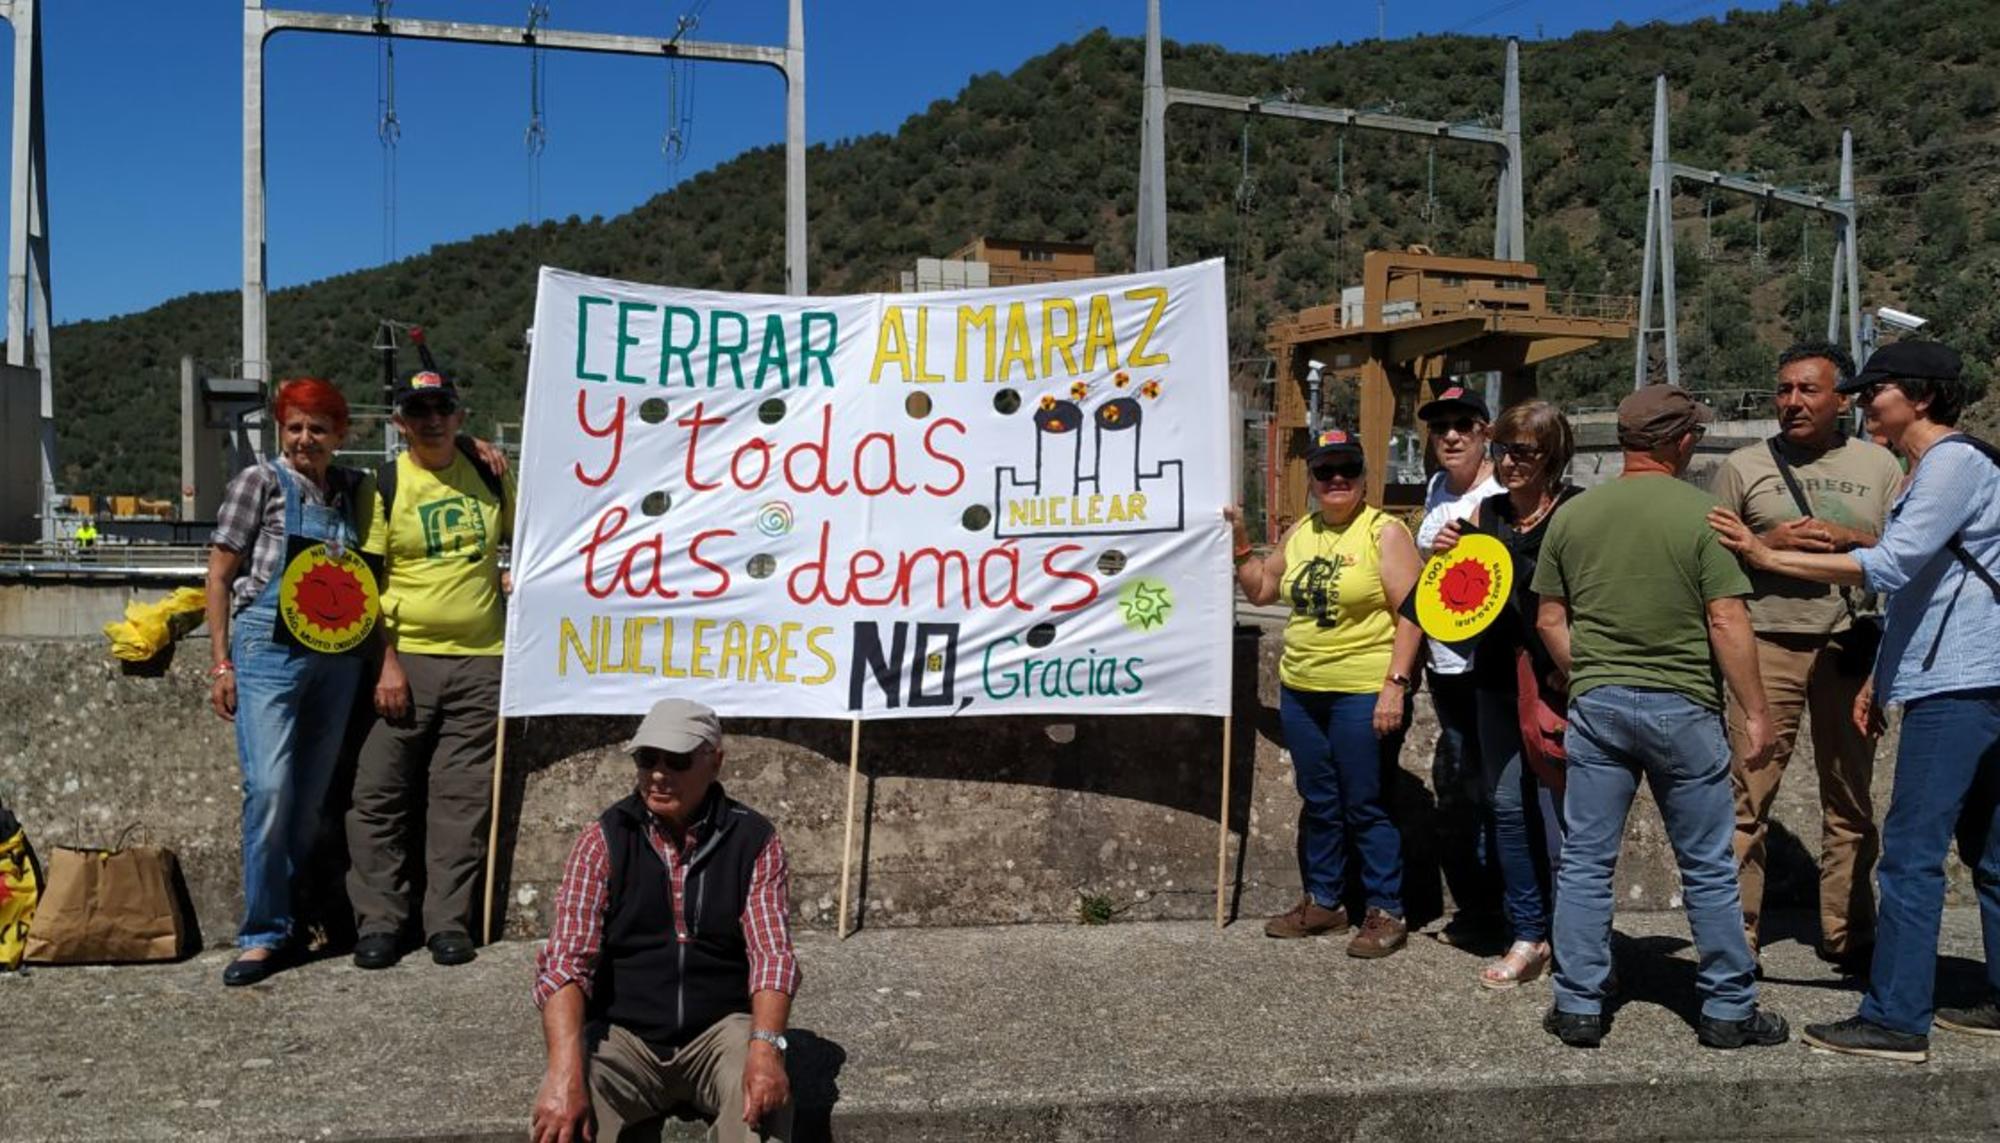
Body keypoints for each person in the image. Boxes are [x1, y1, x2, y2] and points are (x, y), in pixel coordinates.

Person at [1711, 341, 2000, 1064]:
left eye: (1879, 391)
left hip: (1960, 682)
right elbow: (1917, 592)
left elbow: (1894, 564)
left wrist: (1771, 554)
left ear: (1922, 397)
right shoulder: (1931, 468)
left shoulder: (1952, 463)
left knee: (1908, 853)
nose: (1868, 402)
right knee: (1991, 850)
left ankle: (1898, 1016)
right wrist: (1881, 678)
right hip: (1964, 674)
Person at [1531, 384, 1787, 1050]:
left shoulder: (1573, 517)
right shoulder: (1705, 515)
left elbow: (1550, 618)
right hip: (1684, 707)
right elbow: (1726, 618)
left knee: (1585, 860)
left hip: (1601, 704)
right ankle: (1729, 1010)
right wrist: (1756, 710)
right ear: (1680, 441)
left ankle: (1580, 1005)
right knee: (1706, 863)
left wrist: (1586, 670)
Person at [1708, 342, 1903, 974]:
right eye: (1784, 389)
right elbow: (1707, 557)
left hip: (1848, 647)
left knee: (1850, 801)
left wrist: (1854, 539)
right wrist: (1767, 541)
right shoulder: (1743, 466)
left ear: (1841, 400)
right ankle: (1738, 937)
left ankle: (1849, 936)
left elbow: (1909, 549)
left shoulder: (1881, 466)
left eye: (1808, 390)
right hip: (1763, 645)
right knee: (1746, 797)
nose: (1792, 401)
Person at [531, 698, 798, 1143]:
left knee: (765, 1107)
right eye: (646, 758)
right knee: (559, 1120)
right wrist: (563, 1071)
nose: (657, 773)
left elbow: (772, 955)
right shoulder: (604, 839)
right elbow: (565, 962)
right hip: (624, 1036)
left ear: (715, 762)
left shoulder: (754, 839)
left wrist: (766, 1047)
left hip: (720, 1030)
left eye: (676, 760)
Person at [1229, 427, 1425, 958]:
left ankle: (1386, 910)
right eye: (1325, 471)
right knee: (1319, 801)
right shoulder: (1301, 533)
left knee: (1365, 802)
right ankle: (1326, 902)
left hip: (1361, 689)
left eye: (1348, 470)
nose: (1337, 479)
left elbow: (1413, 612)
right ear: (1312, 480)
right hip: (1302, 689)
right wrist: (1242, 543)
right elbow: (1263, 590)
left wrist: (1395, 686)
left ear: (1364, 477)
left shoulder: (1384, 533)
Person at [204, 378, 373, 986]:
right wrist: (220, 662)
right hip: (267, 650)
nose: (305, 439)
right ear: (281, 429)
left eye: (318, 428)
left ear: (339, 435)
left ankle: (300, 916)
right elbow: (219, 575)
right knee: (270, 791)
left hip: (338, 657)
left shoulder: (352, 490)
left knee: (312, 801)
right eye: (295, 426)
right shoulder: (261, 482)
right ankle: (262, 934)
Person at [349, 370, 518, 970]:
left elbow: (528, 542)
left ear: (460, 414)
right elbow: (364, 581)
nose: (432, 419)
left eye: (442, 407)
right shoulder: (386, 485)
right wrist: (386, 660)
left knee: (462, 799)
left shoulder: (491, 475)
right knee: (378, 794)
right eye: (418, 410)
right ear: (400, 422)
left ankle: (447, 923)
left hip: (482, 658)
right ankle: (380, 923)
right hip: (406, 660)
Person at [1429, 400, 1581, 989]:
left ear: (1553, 456)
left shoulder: (1575, 513)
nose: (1510, 462)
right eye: (1503, 449)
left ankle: (1579, 940)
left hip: (1557, 683)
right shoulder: (1484, 514)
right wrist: (1446, 558)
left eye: (1526, 451)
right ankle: (1528, 933)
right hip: (1493, 679)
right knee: (1508, 809)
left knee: (1568, 817)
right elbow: (1455, 601)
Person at [1413, 383, 1506, 941]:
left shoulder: (1499, 490)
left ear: (1485, 433)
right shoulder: (1435, 487)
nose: (1449, 435)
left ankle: (1509, 909)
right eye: (1439, 426)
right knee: (1464, 788)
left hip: (1487, 665)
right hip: (1443, 665)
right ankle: (1481, 907)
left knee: (1497, 791)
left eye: (1463, 425)